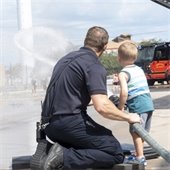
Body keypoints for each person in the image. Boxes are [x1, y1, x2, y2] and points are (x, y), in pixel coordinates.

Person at [39, 26, 141, 170]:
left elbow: (73, 94)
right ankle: (62, 156)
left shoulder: (65, 59)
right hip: (68, 123)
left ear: (86, 41)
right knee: (113, 151)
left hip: (48, 125)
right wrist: (128, 117)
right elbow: (102, 107)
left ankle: (52, 151)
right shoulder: (94, 65)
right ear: (105, 47)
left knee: (98, 140)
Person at [117, 42, 154, 166]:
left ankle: (140, 158)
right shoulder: (139, 69)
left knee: (136, 132)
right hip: (148, 103)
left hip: (137, 105)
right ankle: (140, 153)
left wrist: (120, 107)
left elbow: (124, 93)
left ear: (119, 58)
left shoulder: (123, 73)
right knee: (143, 132)